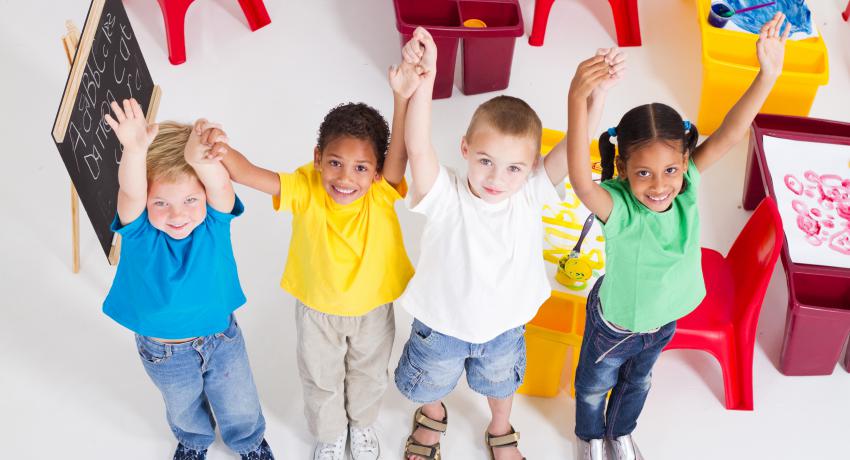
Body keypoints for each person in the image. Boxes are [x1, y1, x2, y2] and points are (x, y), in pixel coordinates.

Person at [565, 13, 789, 460]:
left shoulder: (686, 187)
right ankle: (589, 436)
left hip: (663, 322)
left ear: (685, 161)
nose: (659, 184)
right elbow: (580, 179)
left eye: (669, 169)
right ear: (623, 170)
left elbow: (729, 133)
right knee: (593, 387)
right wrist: (578, 96)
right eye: (642, 173)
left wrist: (768, 76)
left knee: (639, 383)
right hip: (615, 327)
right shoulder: (619, 207)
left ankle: (621, 432)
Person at [393, 27, 624, 460]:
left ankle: (501, 427)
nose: (498, 179)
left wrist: (599, 94)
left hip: (503, 328)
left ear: (531, 166)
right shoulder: (444, 193)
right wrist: (426, 78)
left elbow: (575, 144)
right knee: (430, 382)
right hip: (441, 325)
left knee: (501, 384)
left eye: (513, 168)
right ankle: (432, 415)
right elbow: (418, 147)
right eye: (485, 162)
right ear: (464, 149)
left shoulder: (532, 192)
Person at [102, 98, 274, 460]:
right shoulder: (140, 233)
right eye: (161, 203)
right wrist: (134, 151)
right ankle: (194, 441)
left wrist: (200, 160)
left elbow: (222, 188)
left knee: (239, 400)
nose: (178, 215)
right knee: (182, 406)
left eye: (191, 199)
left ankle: (248, 441)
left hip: (221, 339)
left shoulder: (213, 222)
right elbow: (132, 191)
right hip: (163, 352)